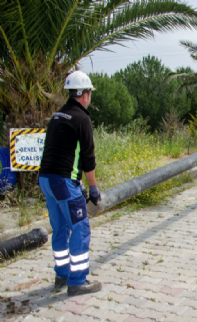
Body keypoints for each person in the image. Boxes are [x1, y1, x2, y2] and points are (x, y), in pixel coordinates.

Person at [38, 71, 101, 296]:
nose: (90, 97)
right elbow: (87, 159)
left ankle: (61, 275)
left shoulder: (57, 116)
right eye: (90, 93)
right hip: (62, 182)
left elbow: (64, 154)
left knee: (60, 228)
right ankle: (77, 281)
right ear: (84, 94)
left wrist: (79, 183)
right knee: (81, 228)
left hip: (46, 179)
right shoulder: (82, 119)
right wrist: (93, 190)